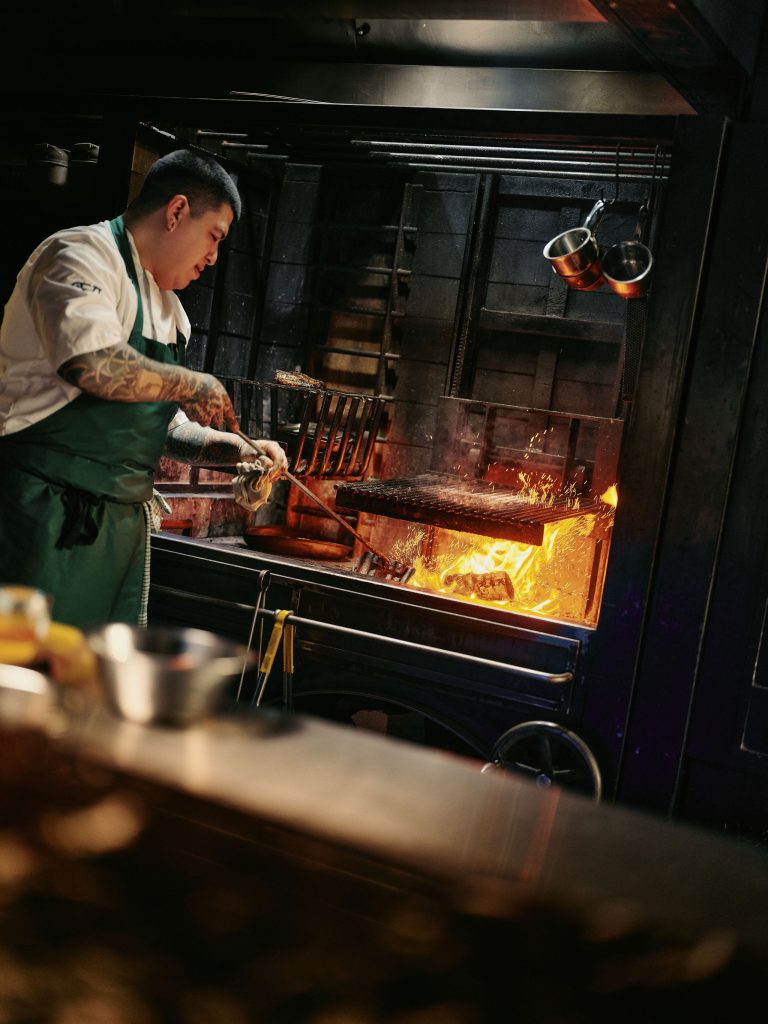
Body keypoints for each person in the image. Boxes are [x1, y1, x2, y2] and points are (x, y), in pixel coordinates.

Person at [0, 148, 286, 630]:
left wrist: (242, 451)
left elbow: (169, 429)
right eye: (213, 236)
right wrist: (189, 380)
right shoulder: (79, 256)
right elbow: (91, 364)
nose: (213, 258)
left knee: (96, 691)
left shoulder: (172, 314)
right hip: (39, 519)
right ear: (176, 212)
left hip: (118, 541)